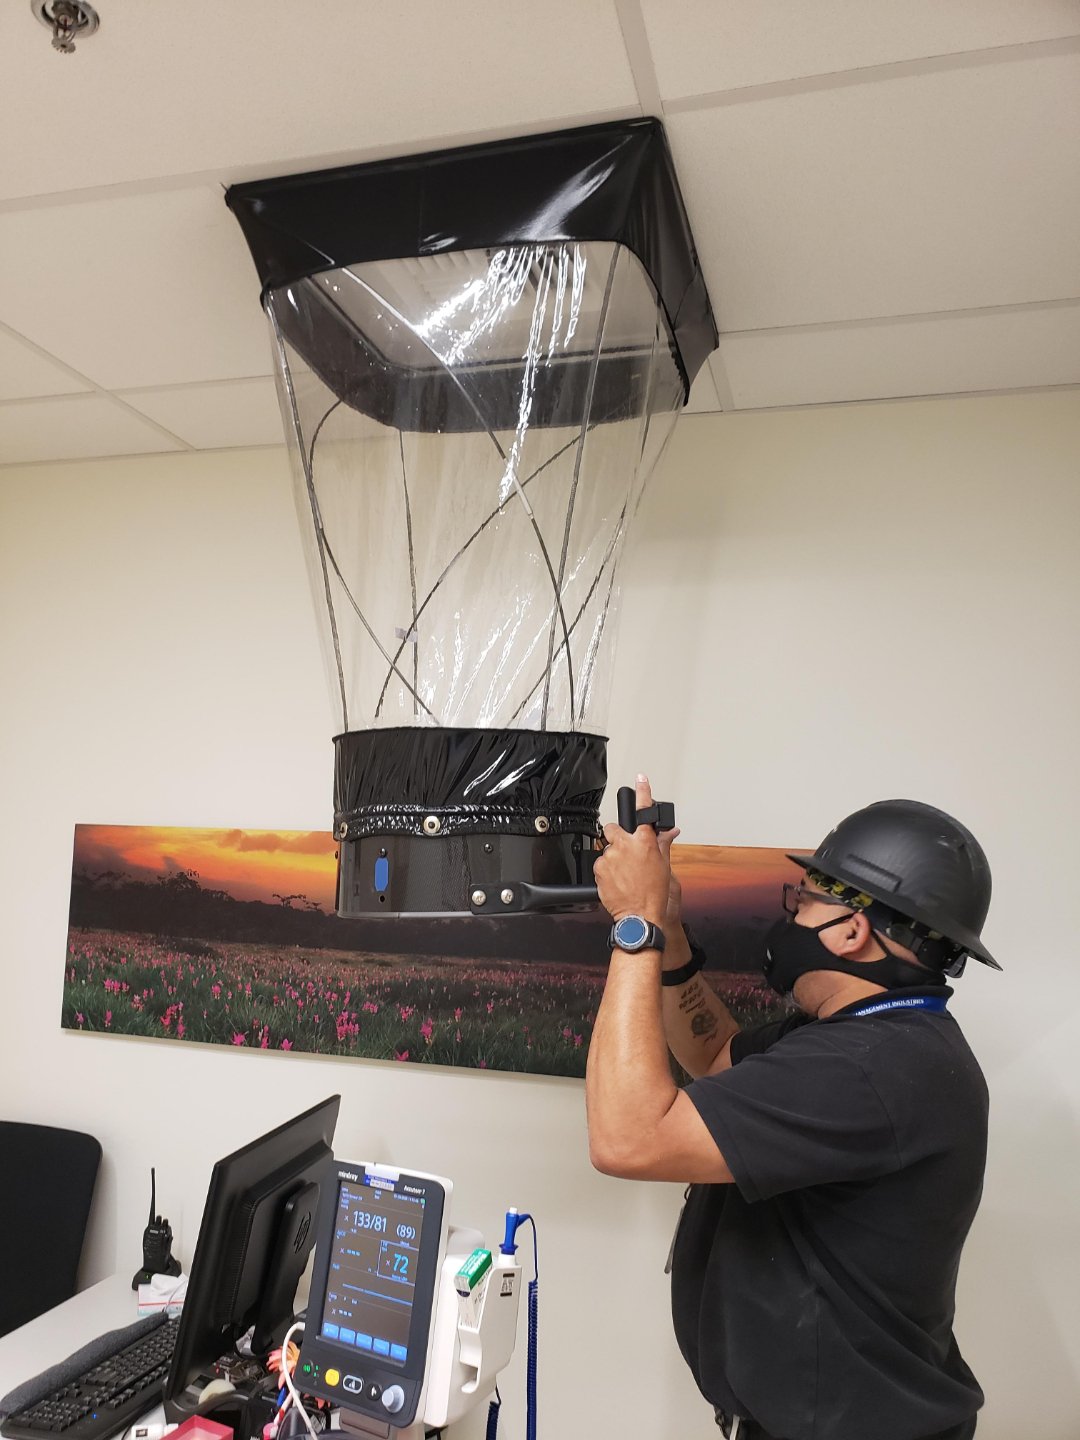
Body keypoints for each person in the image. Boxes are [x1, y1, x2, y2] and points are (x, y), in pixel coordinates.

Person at [586, 777, 999, 1440]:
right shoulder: (872, 1038)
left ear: (851, 930)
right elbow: (718, 1052)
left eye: (803, 903)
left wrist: (633, 927)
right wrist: (666, 924)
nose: (790, 917)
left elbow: (627, 1140)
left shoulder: (868, 1068)